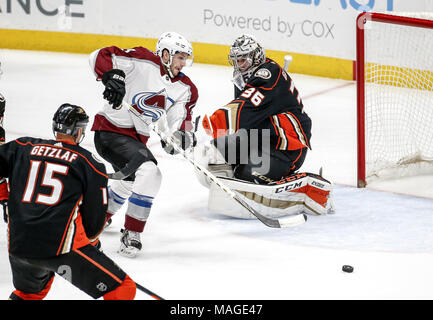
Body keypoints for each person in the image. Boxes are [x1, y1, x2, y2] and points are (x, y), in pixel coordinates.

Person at [0, 103, 136, 300]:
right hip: (58, 247)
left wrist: (5, 198)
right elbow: (93, 225)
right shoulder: (89, 163)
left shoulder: (22, 146)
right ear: (79, 131)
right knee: (123, 289)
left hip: (19, 245)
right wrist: (91, 244)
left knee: (29, 294)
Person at [197, 34, 333, 217]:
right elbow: (246, 119)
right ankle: (241, 187)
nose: (239, 65)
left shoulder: (268, 73)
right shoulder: (244, 76)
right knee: (213, 154)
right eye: (236, 60)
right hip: (260, 138)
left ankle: (298, 189)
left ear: (256, 57)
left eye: (243, 60)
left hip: (287, 146)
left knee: (247, 174)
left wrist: (215, 122)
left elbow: (244, 108)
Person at [89, 31, 199, 257]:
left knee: (132, 180)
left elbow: (179, 122)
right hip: (109, 131)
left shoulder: (186, 89)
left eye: (185, 58)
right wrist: (113, 78)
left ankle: (97, 218)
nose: (183, 63)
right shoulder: (143, 60)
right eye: (180, 57)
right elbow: (98, 56)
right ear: (166, 54)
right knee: (149, 172)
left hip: (136, 140)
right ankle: (132, 233)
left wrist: (180, 137)